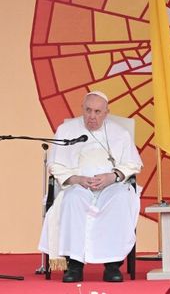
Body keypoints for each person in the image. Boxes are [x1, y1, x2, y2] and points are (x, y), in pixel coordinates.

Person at [39, 91, 142, 283]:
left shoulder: (120, 133)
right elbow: (55, 165)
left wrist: (113, 176)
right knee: (72, 200)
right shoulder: (66, 130)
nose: (92, 116)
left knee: (120, 199)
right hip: (78, 186)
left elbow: (133, 164)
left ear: (106, 113)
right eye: (88, 110)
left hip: (111, 186)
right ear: (82, 109)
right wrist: (77, 179)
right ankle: (74, 266)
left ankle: (112, 266)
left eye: (97, 111)